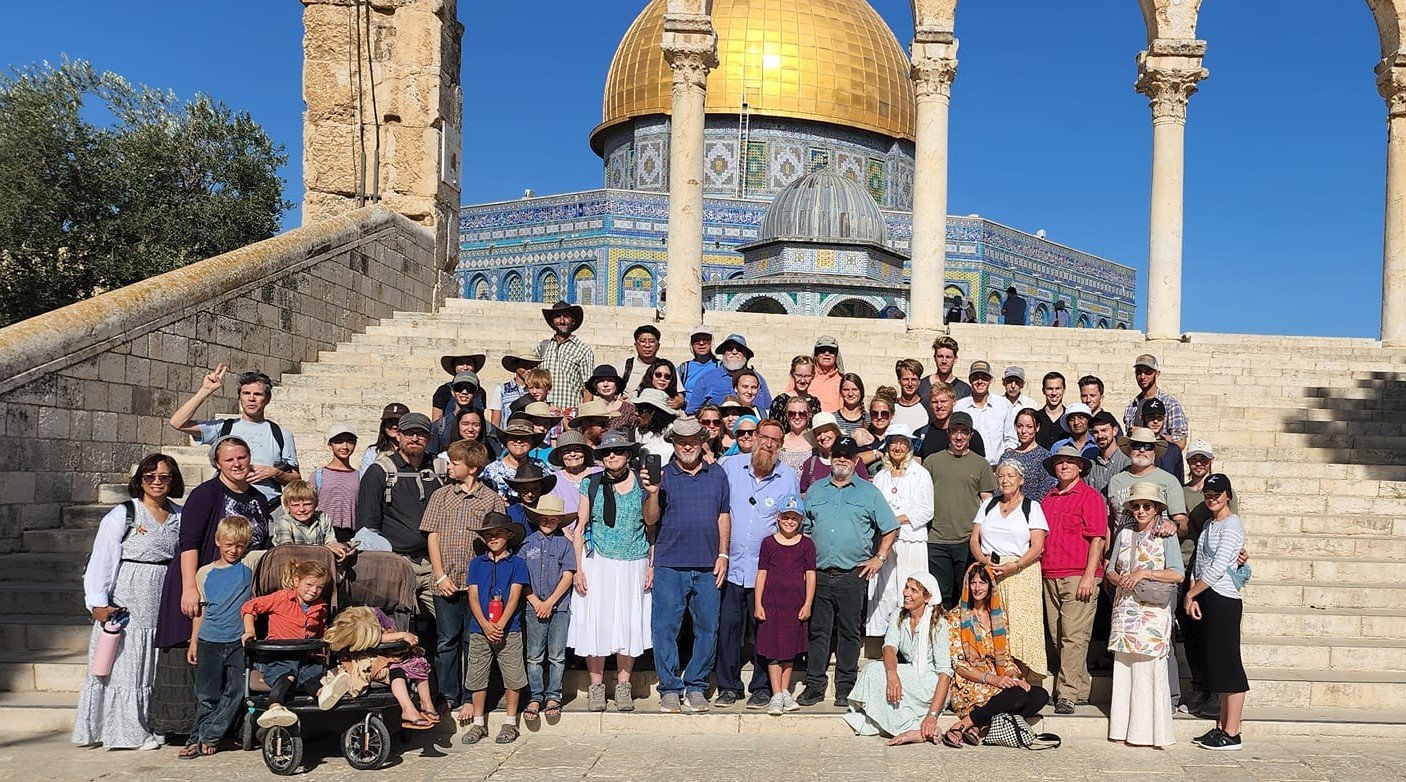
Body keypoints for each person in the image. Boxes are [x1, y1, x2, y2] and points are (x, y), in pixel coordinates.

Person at [150, 436, 272, 737]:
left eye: (242, 457)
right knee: (193, 649)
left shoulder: (257, 498)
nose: (237, 464)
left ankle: (227, 727)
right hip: (203, 581)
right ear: (217, 464)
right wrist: (190, 587)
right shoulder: (205, 495)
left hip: (239, 588)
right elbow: (188, 543)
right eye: (229, 459)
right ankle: (187, 727)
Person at [74, 454, 184, 751]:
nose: (157, 482)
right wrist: (97, 602)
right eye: (150, 477)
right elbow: (102, 559)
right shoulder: (124, 514)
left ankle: (153, 722)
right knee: (128, 661)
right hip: (130, 590)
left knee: (154, 661)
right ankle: (125, 731)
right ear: (140, 481)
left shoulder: (178, 515)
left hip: (164, 591)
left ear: (173, 480)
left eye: (164, 477)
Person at [796, 436, 898, 708]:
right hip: (818, 574)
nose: (841, 459)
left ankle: (845, 687)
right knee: (818, 632)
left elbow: (890, 527)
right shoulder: (816, 490)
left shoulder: (869, 492)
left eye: (847, 455)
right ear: (831, 458)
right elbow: (804, 530)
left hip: (853, 575)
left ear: (856, 460)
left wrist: (880, 557)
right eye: (837, 454)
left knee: (850, 633)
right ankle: (815, 685)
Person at [643, 416, 731, 713]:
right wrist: (653, 493)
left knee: (708, 628)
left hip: (708, 565)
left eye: (693, 439)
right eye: (681, 441)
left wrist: (723, 554)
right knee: (665, 628)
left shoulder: (717, 474)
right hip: (670, 563)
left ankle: (696, 685)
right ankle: (669, 687)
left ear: (702, 441)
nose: (688, 445)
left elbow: (723, 515)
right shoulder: (662, 475)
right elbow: (650, 519)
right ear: (674, 444)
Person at [716, 419, 800, 708]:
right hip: (730, 566)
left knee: (764, 631)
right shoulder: (730, 468)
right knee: (727, 628)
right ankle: (728, 686)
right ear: (753, 438)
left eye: (774, 440)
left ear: (780, 445)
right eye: (763, 437)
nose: (767, 443)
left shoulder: (787, 476)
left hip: (766, 571)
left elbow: (791, 520)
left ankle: (762, 686)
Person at [568, 430, 653, 712]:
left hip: (635, 559)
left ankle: (624, 685)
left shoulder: (643, 484)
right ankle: (596, 686)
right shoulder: (590, 483)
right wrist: (578, 568)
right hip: (598, 560)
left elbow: (652, 526)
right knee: (597, 621)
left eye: (617, 451)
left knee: (629, 623)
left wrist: (652, 564)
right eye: (606, 453)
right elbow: (580, 527)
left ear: (628, 454)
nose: (612, 456)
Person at [420, 438, 504, 722]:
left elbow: (498, 542)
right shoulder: (441, 496)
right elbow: (432, 535)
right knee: (447, 640)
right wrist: (439, 574)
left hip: (477, 584)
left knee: (474, 641)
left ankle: (472, 695)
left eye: (456, 463)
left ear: (473, 468)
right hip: (445, 581)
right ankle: (447, 694)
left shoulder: (492, 500)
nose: (450, 466)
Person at [1106, 482, 1185, 749]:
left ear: (1156, 509)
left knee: (1149, 669)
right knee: (1126, 667)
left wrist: (1144, 573)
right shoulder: (1124, 533)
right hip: (1125, 609)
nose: (1141, 510)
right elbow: (1110, 569)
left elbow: (1177, 573)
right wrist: (1119, 579)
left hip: (1152, 612)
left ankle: (1149, 731)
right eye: (1136, 506)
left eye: (1146, 506)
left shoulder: (1166, 535)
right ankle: (1122, 727)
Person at [944, 564, 1050, 747]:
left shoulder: (998, 616)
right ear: (967, 586)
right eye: (973, 583)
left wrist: (1014, 677)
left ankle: (980, 723)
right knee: (1017, 697)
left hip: (998, 678)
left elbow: (1006, 658)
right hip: (972, 680)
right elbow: (959, 665)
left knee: (1039, 695)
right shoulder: (956, 617)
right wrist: (992, 679)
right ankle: (963, 724)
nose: (977, 588)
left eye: (982, 583)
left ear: (990, 586)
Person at [843, 572, 953, 743]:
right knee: (874, 670)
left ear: (927, 597)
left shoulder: (938, 623)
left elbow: (945, 674)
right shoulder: (899, 615)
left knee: (875, 674)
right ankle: (914, 727)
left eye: (914, 590)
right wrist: (892, 674)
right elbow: (888, 648)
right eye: (906, 587)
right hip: (911, 674)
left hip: (932, 683)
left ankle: (914, 728)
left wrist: (932, 716)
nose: (906, 593)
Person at [1038, 446, 1108, 714]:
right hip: (1050, 573)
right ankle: (1081, 687)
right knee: (1059, 636)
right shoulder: (1049, 498)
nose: (1064, 466)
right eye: (1060, 462)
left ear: (1080, 467)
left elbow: (1097, 539)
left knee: (1074, 636)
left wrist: (1090, 575)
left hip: (1079, 573)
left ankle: (1065, 693)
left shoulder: (1089, 497)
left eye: (1070, 462)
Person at [356, 412, 444, 618]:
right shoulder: (379, 471)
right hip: (397, 563)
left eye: (420, 434)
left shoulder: (440, 469)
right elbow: (367, 526)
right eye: (409, 433)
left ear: (429, 438)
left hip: (435, 564)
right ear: (399, 436)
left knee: (449, 627)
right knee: (398, 624)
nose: (414, 438)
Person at [969, 460, 1049, 684]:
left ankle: (1023, 679)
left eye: (1011, 476)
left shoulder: (1032, 507)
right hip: (990, 571)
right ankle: (998, 678)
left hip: (1021, 572)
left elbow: (1037, 546)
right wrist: (983, 562)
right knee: (995, 625)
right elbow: (974, 539)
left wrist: (1016, 565)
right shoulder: (988, 505)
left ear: (1021, 480)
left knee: (1020, 628)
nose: (1005, 480)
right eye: (1001, 476)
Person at [1184, 474, 1249, 751]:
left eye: (1217, 494)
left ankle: (1233, 731)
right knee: (1218, 666)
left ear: (1228, 495)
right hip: (1208, 595)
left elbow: (1219, 565)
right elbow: (1199, 562)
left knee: (1229, 665)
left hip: (1223, 598)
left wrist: (1191, 593)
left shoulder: (1232, 524)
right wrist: (1194, 592)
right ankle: (1222, 726)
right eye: (1208, 494)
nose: (1212, 498)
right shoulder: (1211, 524)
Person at [168, 364, 299, 501]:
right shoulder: (224, 428)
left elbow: (296, 480)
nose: (251, 399)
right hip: (227, 506)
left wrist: (275, 473)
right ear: (239, 398)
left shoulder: (282, 434)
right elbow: (177, 422)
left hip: (268, 507)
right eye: (246, 393)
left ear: (267, 399)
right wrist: (205, 390)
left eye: (258, 394)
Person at [180, 516, 253, 758]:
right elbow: (199, 611)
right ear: (218, 541)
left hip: (237, 642)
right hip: (209, 640)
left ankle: (209, 735)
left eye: (239, 545)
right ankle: (196, 738)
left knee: (237, 691)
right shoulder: (204, 573)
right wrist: (194, 641)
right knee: (207, 695)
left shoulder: (249, 567)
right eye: (229, 544)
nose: (234, 550)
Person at [461, 513, 531, 745]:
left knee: (512, 675)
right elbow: (472, 596)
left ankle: (511, 722)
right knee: (477, 674)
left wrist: (500, 625)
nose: (493, 538)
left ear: (509, 536)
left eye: (498, 533)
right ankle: (478, 723)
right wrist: (484, 623)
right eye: (488, 534)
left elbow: (514, 596)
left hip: (508, 629)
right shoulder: (476, 563)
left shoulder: (517, 563)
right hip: (479, 628)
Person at [242, 559, 336, 728]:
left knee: (312, 676)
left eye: (319, 587)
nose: (314, 590)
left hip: (306, 657)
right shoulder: (281, 598)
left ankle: (324, 694)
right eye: (309, 584)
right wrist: (250, 631)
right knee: (288, 673)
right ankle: (274, 706)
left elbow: (322, 629)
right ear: (295, 581)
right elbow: (250, 607)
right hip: (279, 656)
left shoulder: (321, 605)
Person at [922, 412, 996, 611]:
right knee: (940, 595)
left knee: (965, 594)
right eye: (955, 431)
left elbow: (987, 503)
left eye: (964, 432)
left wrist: (981, 538)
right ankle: (942, 637)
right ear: (948, 433)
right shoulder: (931, 462)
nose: (959, 436)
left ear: (971, 435)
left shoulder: (981, 464)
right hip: (936, 539)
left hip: (967, 540)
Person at [866, 425, 933, 637]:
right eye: (893, 442)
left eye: (902, 443)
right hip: (886, 541)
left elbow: (926, 510)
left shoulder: (921, 474)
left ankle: (911, 635)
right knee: (886, 589)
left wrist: (895, 520)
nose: (897, 447)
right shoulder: (881, 476)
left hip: (911, 540)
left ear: (910, 446)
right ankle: (885, 637)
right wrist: (886, 523)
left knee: (911, 586)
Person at [753, 494, 817, 715]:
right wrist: (758, 603)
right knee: (772, 650)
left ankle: (785, 690)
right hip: (771, 604)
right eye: (786, 517)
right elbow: (762, 574)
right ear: (778, 517)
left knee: (789, 651)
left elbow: (810, 576)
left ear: (801, 521)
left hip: (794, 605)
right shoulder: (768, 544)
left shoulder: (807, 545)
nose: (790, 522)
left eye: (795, 518)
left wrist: (808, 603)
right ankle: (776, 693)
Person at [519, 494, 577, 724]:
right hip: (533, 606)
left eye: (553, 519)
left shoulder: (565, 545)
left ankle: (553, 695)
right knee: (534, 655)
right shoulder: (526, 544)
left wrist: (550, 602)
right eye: (544, 517)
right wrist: (535, 601)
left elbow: (568, 575)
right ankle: (535, 695)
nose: (547, 521)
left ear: (559, 521)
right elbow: (520, 578)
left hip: (559, 606)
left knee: (557, 655)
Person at [269, 480, 352, 559]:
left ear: (316, 504)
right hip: (292, 565)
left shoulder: (323, 518)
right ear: (287, 506)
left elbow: (331, 542)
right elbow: (287, 549)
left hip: (319, 564)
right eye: (295, 505)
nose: (301, 509)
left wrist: (341, 548)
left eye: (307, 504)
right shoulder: (284, 522)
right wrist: (325, 549)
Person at [953, 360, 1015, 466]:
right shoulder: (959, 407)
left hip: (996, 468)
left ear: (991, 380)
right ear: (970, 380)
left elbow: (1010, 438)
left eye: (984, 377)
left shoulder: (1003, 404)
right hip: (968, 466)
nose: (980, 381)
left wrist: (1007, 457)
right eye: (975, 377)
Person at [537, 300, 594, 413]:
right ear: (552, 322)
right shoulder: (543, 347)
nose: (562, 321)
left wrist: (582, 416)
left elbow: (587, 389)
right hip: (544, 414)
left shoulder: (583, 350)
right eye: (557, 317)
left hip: (569, 413)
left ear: (573, 321)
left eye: (566, 317)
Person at [1123, 354, 1189, 451]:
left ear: (1157, 374)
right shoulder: (1131, 407)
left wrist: (1146, 434)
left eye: (1148, 372)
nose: (1143, 376)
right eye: (1139, 372)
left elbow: (1180, 442)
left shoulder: (1170, 404)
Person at [799, 412, 870, 492]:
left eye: (826, 431)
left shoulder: (852, 460)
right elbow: (803, 493)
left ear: (836, 431)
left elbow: (865, 488)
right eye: (818, 433)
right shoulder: (810, 464)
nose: (822, 437)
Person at [915, 381, 987, 461]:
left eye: (943, 401)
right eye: (935, 402)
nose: (939, 406)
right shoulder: (920, 435)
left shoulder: (969, 436)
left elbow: (980, 466)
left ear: (954, 402)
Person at [481, 420, 547, 503]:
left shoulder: (542, 467)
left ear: (532, 442)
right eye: (513, 437)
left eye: (525, 437)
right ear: (506, 441)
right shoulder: (491, 471)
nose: (519, 441)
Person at [312, 424, 359, 541]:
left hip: (351, 536)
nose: (345, 446)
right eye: (338, 441)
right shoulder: (318, 475)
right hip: (322, 534)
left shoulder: (360, 476)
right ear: (330, 445)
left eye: (350, 441)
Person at [999, 408, 1055, 501]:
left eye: (1029, 427)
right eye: (1020, 426)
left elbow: (1046, 492)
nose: (1023, 431)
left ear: (1037, 427)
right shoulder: (1007, 456)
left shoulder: (1044, 457)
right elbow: (999, 489)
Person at [679, 328, 733, 413]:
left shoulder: (721, 366)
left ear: (711, 342)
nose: (701, 343)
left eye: (706, 340)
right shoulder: (684, 368)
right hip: (690, 414)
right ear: (692, 344)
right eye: (696, 340)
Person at [715, 333, 773, 413]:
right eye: (729, 348)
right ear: (723, 352)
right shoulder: (707, 378)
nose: (734, 352)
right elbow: (694, 412)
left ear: (745, 355)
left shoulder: (758, 379)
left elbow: (768, 408)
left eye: (739, 349)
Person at [429, 371, 482, 454]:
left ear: (476, 393)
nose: (464, 392)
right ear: (452, 392)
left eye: (470, 388)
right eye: (459, 387)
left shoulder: (487, 428)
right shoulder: (439, 427)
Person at [432, 407, 498, 475]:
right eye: (465, 424)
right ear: (458, 425)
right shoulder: (445, 457)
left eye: (476, 425)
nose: (470, 429)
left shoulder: (489, 457)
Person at [547, 430, 598, 516]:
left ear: (584, 453)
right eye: (567, 451)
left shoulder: (598, 473)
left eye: (577, 449)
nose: (573, 454)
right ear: (560, 455)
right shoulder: (554, 479)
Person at [488, 351, 542, 428]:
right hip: (508, 435)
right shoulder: (502, 389)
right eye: (524, 366)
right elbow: (495, 422)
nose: (528, 370)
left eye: (531, 366)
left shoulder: (537, 391)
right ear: (515, 366)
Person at [918, 336, 971, 406]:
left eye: (948, 357)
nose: (944, 361)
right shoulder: (921, 386)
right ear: (934, 358)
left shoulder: (964, 390)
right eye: (940, 356)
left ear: (955, 359)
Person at [432, 353, 486, 422]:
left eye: (469, 364)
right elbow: (436, 420)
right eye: (460, 364)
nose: (465, 367)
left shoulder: (481, 392)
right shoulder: (444, 390)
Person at [1141, 397, 1185, 481]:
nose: (1156, 421)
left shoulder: (1173, 450)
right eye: (1151, 417)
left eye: (1159, 417)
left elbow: (1179, 481)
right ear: (1142, 418)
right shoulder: (1135, 447)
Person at [585, 364, 638, 433]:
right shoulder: (588, 409)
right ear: (595, 386)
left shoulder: (629, 409)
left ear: (617, 385)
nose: (605, 384)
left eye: (610, 380)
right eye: (601, 381)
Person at [1086, 411, 1130, 493]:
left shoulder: (1126, 462)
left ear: (1115, 431)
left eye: (1104, 430)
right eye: (1096, 432)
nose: (1100, 436)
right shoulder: (1090, 465)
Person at [770, 354, 823, 423]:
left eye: (807, 376)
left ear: (813, 376)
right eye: (798, 375)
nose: (802, 380)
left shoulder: (815, 403)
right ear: (792, 374)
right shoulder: (780, 401)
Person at [632, 388, 679, 461]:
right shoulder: (640, 433)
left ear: (655, 413)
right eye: (636, 409)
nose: (636, 413)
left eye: (641, 410)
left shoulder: (673, 435)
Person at [359, 403, 408, 474]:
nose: (394, 426)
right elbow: (365, 481)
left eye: (398, 421)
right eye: (390, 421)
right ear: (384, 425)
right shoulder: (373, 453)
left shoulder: (415, 451)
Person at [855, 388, 897, 467]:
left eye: (884, 414)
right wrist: (876, 453)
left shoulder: (898, 437)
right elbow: (853, 461)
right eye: (875, 413)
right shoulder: (862, 437)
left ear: (892, 414)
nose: (879, 417)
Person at [619, 324, 661, 393]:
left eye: (651, 341)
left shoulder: (666, 367)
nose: (647, 345)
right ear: (636, 345)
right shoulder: (624, 367)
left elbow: (678, 396)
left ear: (658, 346)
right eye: (642, 341)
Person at [892, 358, 931, 432]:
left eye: (914, 379)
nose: (910, 384)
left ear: (919, 382)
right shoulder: (891, 406)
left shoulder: (928, 407)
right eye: (906, 379)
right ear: (899, 381)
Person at [778, 397, 815, 473]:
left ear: (808, 415)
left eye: (802, 414)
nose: (797, 417)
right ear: (787, 416)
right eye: (792, 414)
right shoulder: (779, 441)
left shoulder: (816, 441)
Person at [807, 336, 843, 411]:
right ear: (816, 354)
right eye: (822, 350)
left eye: (831, 351)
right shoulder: (804, 378)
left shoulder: (843, 380)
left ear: (836, 355)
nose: (827, 353)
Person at [1034, 371, 1067, 450]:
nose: (1054, 393)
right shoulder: (1035, 418)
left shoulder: (1070, 419)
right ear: (1043, 391)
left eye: (1058, 388)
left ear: (1064, 390)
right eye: (1050, 389)